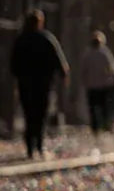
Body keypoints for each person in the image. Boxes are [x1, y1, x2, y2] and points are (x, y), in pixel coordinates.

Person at [8, 10, 70, 158]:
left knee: (29, 114)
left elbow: (13, 64)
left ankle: (30, 147)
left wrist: (20, 76)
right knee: (41, 115)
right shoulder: (47, 38)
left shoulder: (21, 40)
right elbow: (60, 61)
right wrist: (63, 76)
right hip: (43, 84)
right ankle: (39, 145)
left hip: (26, 84)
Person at [81, 31, 114, 133]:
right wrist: (111, 79)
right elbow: (112, 68)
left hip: (92, 85)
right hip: (103, 85)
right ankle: (104, 125)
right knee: (104, 108)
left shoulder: (88, 54)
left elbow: (83, 70)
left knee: (94, 108)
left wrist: (85, 81)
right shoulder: (105, 53)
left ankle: (96, 127)